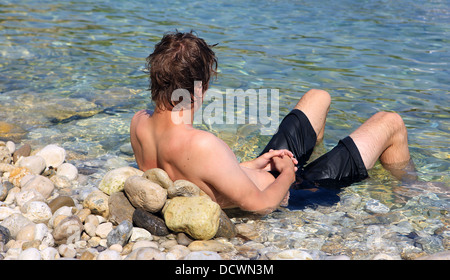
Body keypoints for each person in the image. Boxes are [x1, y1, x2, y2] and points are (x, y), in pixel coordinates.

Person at [130, 31, 413, 214]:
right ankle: (411, 191)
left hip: (261, 177)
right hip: (292, 193)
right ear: (200, 88)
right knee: (391, 122)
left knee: (318, 97)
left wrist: (255, 165)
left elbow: (198, 176)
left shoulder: (139, 125)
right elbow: (262, 204)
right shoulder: (201, 144)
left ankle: (316, 161)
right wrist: (289, 173)